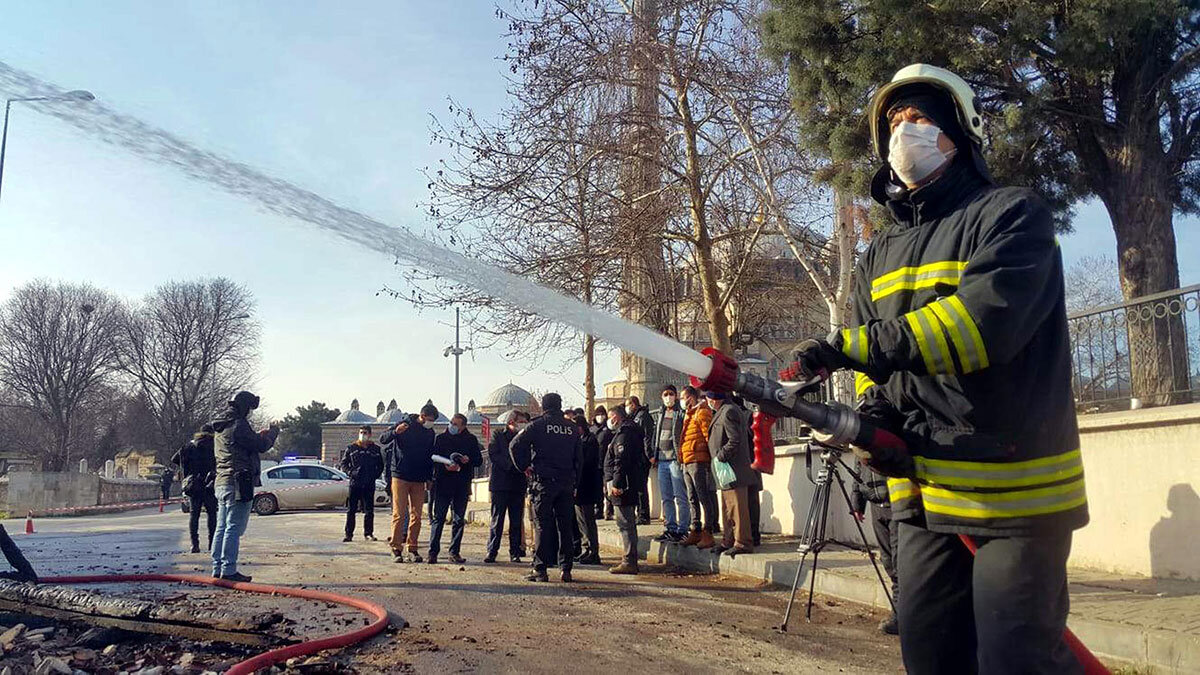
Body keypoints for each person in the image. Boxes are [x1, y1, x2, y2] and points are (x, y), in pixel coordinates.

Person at [781, 64, 1089, 673]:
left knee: (1015, 661)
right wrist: (871, 416)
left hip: (1014, 496)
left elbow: (978, 328)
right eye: (895, 122)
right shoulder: (878, 253)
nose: (905, 132)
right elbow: (873, 366)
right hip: (922, 494)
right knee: (929, 657)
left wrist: (844, 347)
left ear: (960, 130)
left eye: (920, 117)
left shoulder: (1012, 215)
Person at [510, 392, 582, 583]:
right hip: (566, 483)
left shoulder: (537, 425)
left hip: (543, 482)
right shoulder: (572, 427)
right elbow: (579, 458)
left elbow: (514, 445)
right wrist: (576, 482)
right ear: (560, 405)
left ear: (544, 406)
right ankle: (566, 569)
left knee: (542, 525)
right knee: (565, 526)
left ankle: (540, 569)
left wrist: (524, 466)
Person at [210, 390, 279, 582]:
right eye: (249, 408)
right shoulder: (239, 425)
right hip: (238, 483)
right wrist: (273, 433)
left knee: (222, 527)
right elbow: (260, 445)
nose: (250, 412)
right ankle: (229, 570)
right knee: (233, 528)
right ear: (244, 407)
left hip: (222, 481)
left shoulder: (221, 426)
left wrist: (258, 436)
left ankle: (217, 567)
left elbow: (242, 445)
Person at [380, 402, 439, 564]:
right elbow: (383, 439)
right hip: (400, 475)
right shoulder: (404, 424)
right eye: (430, 419)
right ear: (422, 416)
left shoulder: (430, 433)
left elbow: (429, 456)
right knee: (399, 514)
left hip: (418, 478)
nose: (431, 423)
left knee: (417, 515)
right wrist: (395, 432)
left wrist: (429, 477)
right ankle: (396, 548)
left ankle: (412, 548)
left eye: (433, 421)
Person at [428, 413, 482, 564]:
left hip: (461, 484)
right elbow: (433, 458)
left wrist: (467, 460)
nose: (452, 426)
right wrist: (444, 466)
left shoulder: (471, 440)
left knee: (458, 519)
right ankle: (433, 552)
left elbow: (478, 460)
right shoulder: (441, 438)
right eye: (451, 422)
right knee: (439, 518)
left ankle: (454, 552)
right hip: (443, 483)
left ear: (463, 426)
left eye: (456, 424)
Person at [852, 465, 899, 635]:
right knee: (888, 562)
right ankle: (900, 612)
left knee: (899, 563)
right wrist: (857, 504)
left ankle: (900, 616)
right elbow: (858, 470)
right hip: (876, 505)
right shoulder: (863, 448)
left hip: (897, 504)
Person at [705, 391, 753, 557]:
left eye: (708, 398)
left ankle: (742, 542)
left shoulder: (729, 411)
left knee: (737, 509)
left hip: (733, 468)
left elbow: (734, 440)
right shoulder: (722, 411)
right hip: (725, 470)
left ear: (713, 398)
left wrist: (720, 456)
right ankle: (728, 541)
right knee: (727, 508)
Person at [485, 410, 529, 563]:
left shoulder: (524, 437)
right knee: (497, 520)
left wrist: (522, 467)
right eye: (521, 422)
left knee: (516, 520)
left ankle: (515, 551)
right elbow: (494, 454)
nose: (523, 425)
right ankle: (492, 551)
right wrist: (513, 466)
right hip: (501, 484)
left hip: (518, 484)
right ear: (511, 422)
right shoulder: (498, 435)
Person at [604, 406, 643, 575]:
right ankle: (629, 558)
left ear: (616, 417)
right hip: (625, 483)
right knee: (626, 523)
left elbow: (621, 461)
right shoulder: (624, 432)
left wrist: (617, 483)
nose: (609, 420)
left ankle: (629, 561)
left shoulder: (624, 434)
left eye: (610, 417)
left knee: (625, 523)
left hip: (623, 485)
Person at [677, 386, 717, 549]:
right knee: (691, 497)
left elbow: (708, 436)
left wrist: (711, 458)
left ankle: (708, 531)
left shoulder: (702, 412)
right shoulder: (689, 413)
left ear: (691, 397)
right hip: (687, 460)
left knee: (703, 496)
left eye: (683, 397)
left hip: (698, 460)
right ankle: (696, 529)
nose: (681, 400)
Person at [172, 424, 218, 553]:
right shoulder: (215, 446)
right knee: (212, 514)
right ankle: (212, 543)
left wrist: (186, 469)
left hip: (194, 484)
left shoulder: (189, 446)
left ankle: (195, 544)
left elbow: (174, 459)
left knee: (194, 515)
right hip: (210, 483)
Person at [650, 385, 688, 542]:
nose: (668, 397)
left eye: (671, 394)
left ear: (676, 395)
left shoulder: (680, 413)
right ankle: (670, 528)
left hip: (675, 460)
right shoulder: (660, 413)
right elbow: (656, 435)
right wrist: (653, 455)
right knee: (666, 497)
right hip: (662, 460)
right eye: (665, 394)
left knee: (680, 496)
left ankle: (683, 529)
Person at [340, 425, 384, 543]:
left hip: (369, 483)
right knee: (351, 510)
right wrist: (350, 472)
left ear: (370, 434)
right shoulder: (352, 448)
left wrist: (374, 475)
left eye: (365, 433)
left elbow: (380, 465)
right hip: (355, 483)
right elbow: (344, 464)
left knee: (369, 510)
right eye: (361, 432)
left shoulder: (375, 449)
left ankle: (368, 533)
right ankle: (349, 534)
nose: (363, 435)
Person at [573, 411, 604, 565]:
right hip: (579, 488)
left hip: (587, 486)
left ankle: (593, 551)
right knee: (581, 521)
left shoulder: (590, 440)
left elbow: (586, 463)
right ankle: (587, 548)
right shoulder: (579, 440)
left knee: (588, 520)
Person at [625, 395, 655, 525]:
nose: (627, 408)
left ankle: (643, 515)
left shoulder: (642, 416)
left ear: (633, 404)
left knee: (641, 487)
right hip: (635, 456)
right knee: (637, 487)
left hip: (641, 457)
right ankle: (639, 513)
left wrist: (649, 455)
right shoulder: (634, 417)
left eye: (628, 405)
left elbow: (647, 437)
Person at [591, 405, 613, 520]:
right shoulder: (592, 429)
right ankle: (598, 509)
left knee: (608, 487)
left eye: (602, 414)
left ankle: (609, 511)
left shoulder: (609, 429)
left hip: (606, 462)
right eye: (598, 415)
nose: (600, 417)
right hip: (595, 463)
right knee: (597, 489)